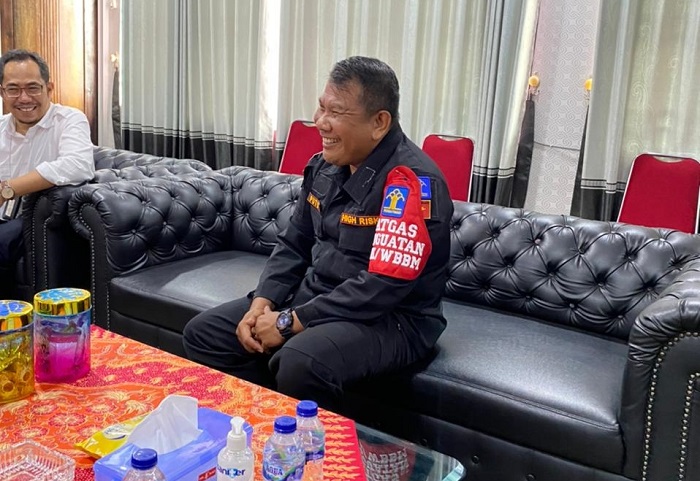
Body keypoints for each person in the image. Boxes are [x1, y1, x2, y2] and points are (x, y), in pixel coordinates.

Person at [183, 56, 454, 409]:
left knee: (301, 362)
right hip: (316, 298)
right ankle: (262, 421)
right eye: (321, 107)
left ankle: (313, 438)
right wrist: (263, 302)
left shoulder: (411, 183)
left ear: (379, 123)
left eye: (335, 112)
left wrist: (289, 321)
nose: (320, 122)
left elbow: (384, 285)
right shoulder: (325, 167)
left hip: (393, 318)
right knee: (205, 334)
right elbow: (294, 243)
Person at [0, 49, 94, 296]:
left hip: (33, 218)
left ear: (48, 88)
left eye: (33, 88)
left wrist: (8, 189)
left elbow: (78, 164)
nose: (24, 98)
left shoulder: (69, 120)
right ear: (2, 92)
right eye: (13, 89)